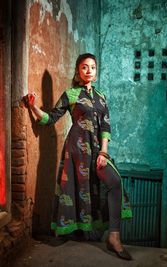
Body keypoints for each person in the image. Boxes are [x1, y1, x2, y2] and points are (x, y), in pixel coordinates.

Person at [24, 53, 133, 261]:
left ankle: (114, 236)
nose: (89, 70)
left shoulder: (101, 97)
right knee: (76, 189)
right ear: (78, 71)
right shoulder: (71, 94)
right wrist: (33, 107)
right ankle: (77, 233)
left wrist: (104, 151)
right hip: (76, 150)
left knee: (115, 182)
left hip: (97, 150)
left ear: (96, 70)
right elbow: (51, 118)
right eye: (84, 67)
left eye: (92, 67)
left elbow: (106, 126)